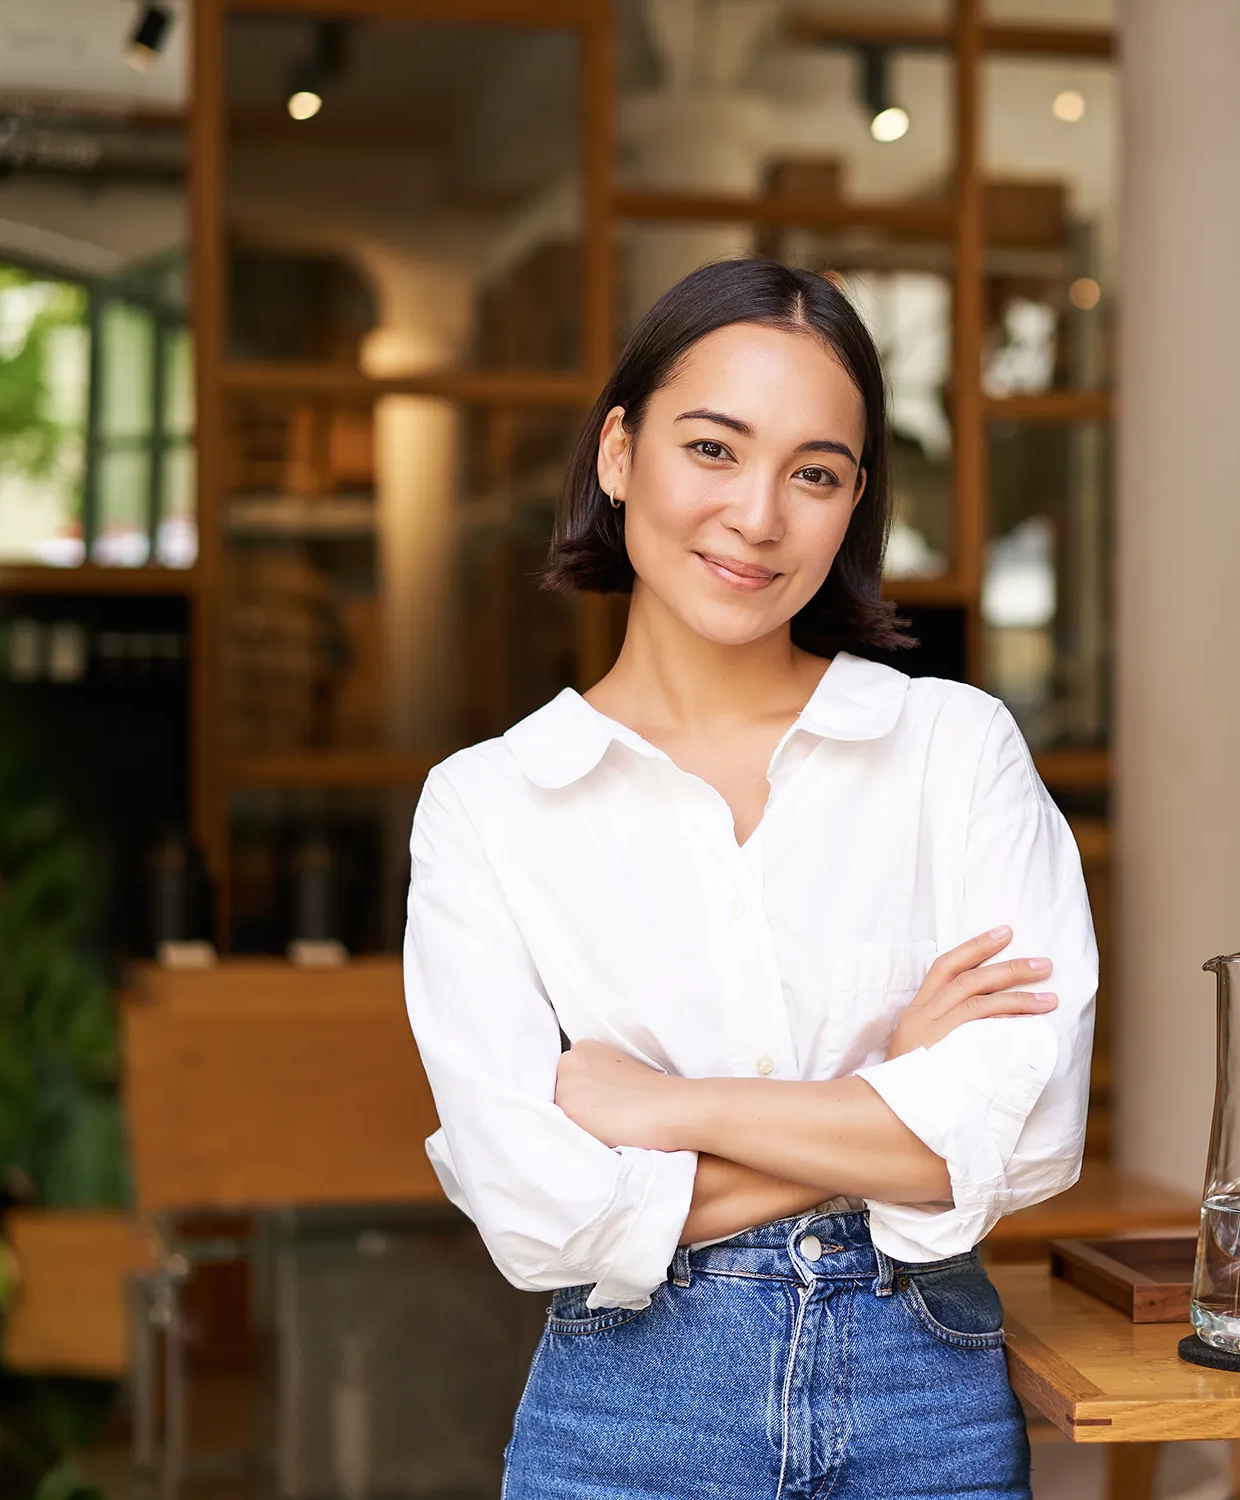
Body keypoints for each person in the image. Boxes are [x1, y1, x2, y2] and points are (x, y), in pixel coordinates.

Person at [401, 258, 1097, 1499]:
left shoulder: (953, 749)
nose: (759, 515)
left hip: (923, 1405)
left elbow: (1026, 1134)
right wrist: (897, 1103)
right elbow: (536, 1211)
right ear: (618, 454)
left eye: (814, 473)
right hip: (627, 1421)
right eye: (713, 449)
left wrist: (665, 1109)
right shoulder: (492, 806)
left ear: (853, 505)